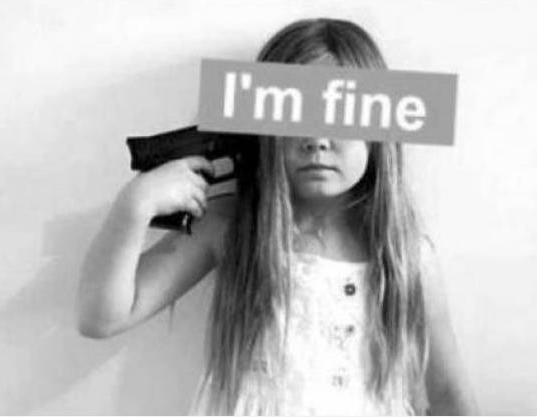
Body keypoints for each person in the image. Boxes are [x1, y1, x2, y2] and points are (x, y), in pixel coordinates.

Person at [76, 17, 477, 416]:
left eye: (342, 115)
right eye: (296, 115)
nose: (317, 140)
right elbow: (100, 318)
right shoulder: (232, 227)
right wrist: (135, 206)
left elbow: (448, 395)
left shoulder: (404, 254)